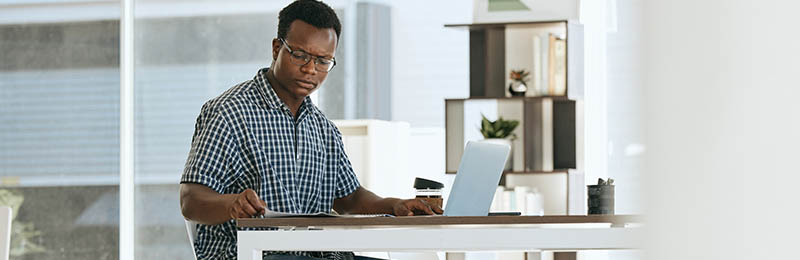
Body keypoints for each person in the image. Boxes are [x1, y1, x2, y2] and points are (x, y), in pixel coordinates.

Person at [179, 1, 442, 259]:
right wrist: (232, 204)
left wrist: (395, 205)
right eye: (300, 55)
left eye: (323, 61)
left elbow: (349, 199)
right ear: (275, 48)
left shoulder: (323, 128)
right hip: (256, 254)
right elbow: (190, 200)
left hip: (322, 254)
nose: (310, 69)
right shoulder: (228, 112)